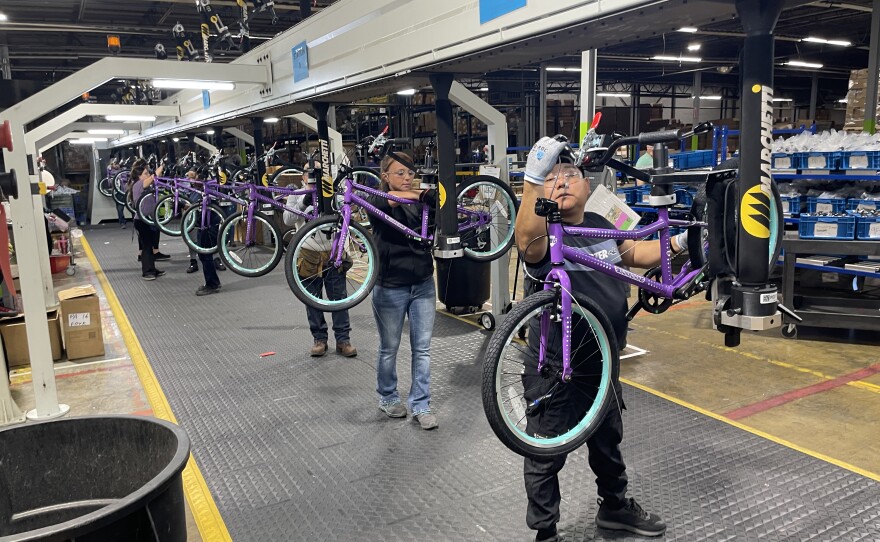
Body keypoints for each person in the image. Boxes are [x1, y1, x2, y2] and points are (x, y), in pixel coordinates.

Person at [515, 136, 688, 541]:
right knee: (546, 450)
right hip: (557, 365)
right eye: (553, 178)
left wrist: (680, 244)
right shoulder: (546, 231)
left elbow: (634, 254)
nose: (563, 182)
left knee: (608, 440)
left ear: (588, 184)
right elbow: (527, 244)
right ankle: (545, 532)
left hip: (605, 359)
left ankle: (614, 508)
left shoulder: (601, 222)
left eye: (571, 175)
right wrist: (531, 181)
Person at [366, 151, 438, 430]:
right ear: (385, 176)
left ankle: (421, 404)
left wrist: (433, 199)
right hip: (390, 287)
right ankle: (387, 397)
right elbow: (391, 200)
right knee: (389, 348)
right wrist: (421, 194)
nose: (407, 177)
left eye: (410, 172)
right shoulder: (375, 199)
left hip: (423, 284)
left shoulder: (421, 204)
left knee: (422, 349)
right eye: (400, 173)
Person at [283, 165, 356, 357]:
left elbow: (348, 209)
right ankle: (319, 339)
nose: (313, 176)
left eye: (318, 172)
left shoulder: (333, 191)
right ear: (303, 176)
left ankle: (343, 340)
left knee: (339, 300)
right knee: (312, 301)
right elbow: (287, 219)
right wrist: (304, 200)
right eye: (310, 173)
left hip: (333, 255)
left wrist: (336, 197)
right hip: (308, 255)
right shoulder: (296, 194)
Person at [130, 163, 166, 280]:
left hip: (148, 220)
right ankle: (147, 272)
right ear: (139, 176)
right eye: (145, 173)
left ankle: (152, 269)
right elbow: (153, 177)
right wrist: (160, 168)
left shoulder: (145, 186)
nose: (148, 175)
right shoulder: (138, 184)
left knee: (149, 246)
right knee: (146, 246)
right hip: (141, 221)